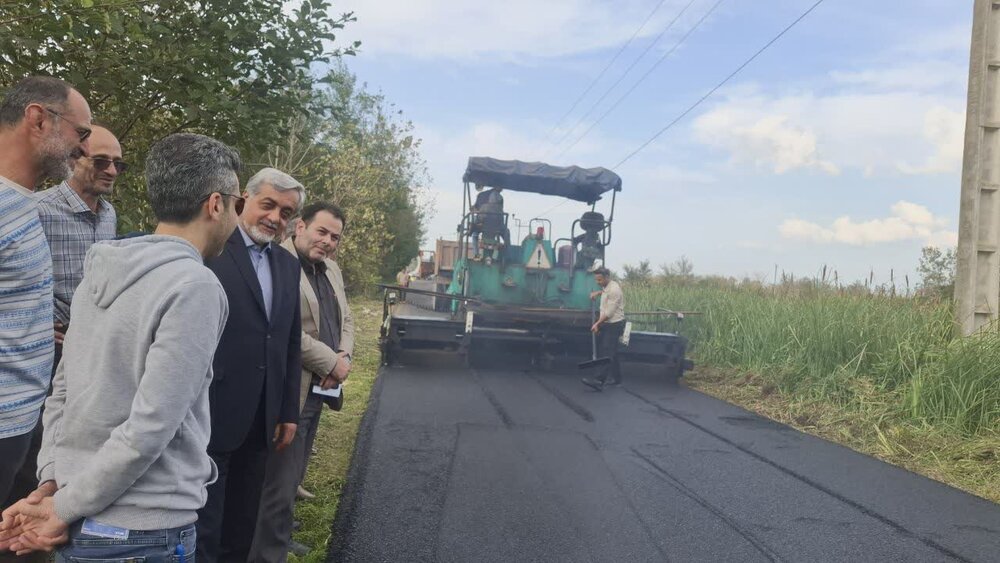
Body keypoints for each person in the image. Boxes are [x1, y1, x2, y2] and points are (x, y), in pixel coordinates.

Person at [0, 132, 242, 560]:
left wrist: (53, 481)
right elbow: (152, 426)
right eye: (237, 204)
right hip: (144, 529)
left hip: (78, 514)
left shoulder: (99, 269)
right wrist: (61, 505)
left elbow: (61, 390)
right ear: (216, 204)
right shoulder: (195, 285)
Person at [2, 127, 125, 535]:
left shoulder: (108, 215)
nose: (111, 170)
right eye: (102, 160)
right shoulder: (37, 208)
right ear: (75, 159)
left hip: (89, 352)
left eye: (118, 164)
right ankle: (17, 528)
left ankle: (53, 522)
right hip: (42, 354)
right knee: (31, 450)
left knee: (70, 445)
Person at [197, 168, 305, 563]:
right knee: (204, 525)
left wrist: (287, 410)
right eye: (269, 204)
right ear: (245, 199)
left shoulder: (287, 265)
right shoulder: (214, 250)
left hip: (263, 418)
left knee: (242, 527)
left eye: (286, 211)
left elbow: (289, 343)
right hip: (211, 410)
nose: (276, 218)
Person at [0, 76, 91, 526]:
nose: (82, 148)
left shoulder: (23, 202)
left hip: (26, 421)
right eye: (82, 132)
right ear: (39, 119)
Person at [251, 202, 355, 562]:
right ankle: (266, 552)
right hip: (288, 389)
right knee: (278, 480)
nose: (327, 242)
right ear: (300, 227)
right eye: (321, 231)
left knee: (295, 471)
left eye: (335, 237)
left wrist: (343, 357)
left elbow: (348, 318)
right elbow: (282, 327)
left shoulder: (331, 270)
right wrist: (330, 361)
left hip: (320, 387)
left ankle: (279, 533)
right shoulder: (277, 263)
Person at [581, 267, 626, 391]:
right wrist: (598, 293)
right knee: (613, 352)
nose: (598, 282)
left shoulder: (615, 290)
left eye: (600, 280)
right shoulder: (608, 287)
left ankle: (599, 380)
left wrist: (597, 324)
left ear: (607, 277)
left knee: (607, 352)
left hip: (614, 324)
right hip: (609, 323)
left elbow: (609, 313)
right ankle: (617, 379)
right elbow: (605, 292)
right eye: (596, 280)